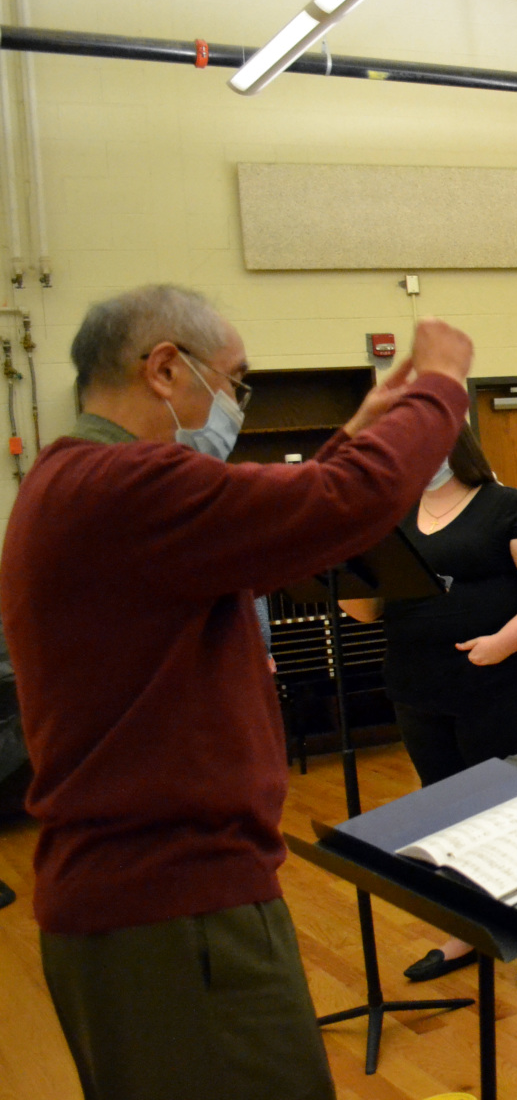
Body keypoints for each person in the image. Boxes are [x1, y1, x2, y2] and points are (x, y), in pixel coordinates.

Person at [2, 285, 472, 1100]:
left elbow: (283, 531)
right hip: (174, 912)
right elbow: (344, 503)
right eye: (234, 382)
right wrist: (442, 386)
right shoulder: (123, 484)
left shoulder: (81, 482)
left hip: (151, 904)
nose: (236, 407)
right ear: (162, 369)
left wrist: (357, 432)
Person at [341, 424, 517, 987]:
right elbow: (368, 611)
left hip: (499, 681)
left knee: (508, 807)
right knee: (448, 809)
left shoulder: (506, 507)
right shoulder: (394, 515)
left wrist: (501, 643)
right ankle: (467, 928)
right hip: (417, 683)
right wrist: (341, 564)